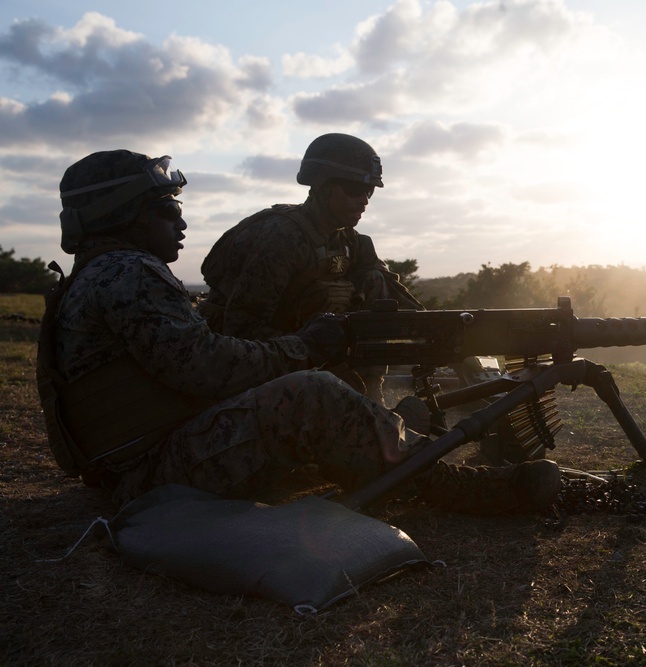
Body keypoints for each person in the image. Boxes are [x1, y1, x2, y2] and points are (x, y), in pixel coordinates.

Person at [36, 149, 561, 515]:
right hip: (147, 474)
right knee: (313, 394)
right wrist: (307, 347)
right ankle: (453, 488)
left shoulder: (104, 273)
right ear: (125, 216)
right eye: (168, 209)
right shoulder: (128, 273)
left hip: (141, 457)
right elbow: (210, 366)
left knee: (357, 403)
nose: (181, 224)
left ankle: (403, 443)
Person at [198, 133, 419, 405]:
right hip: (255, 366)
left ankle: (372, 393)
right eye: (354, 189)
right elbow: (242, 330)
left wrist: (445, 336)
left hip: (308, 356)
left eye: (369, 190)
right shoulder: (282, 238)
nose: (364, 200)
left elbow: (400, 301)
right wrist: (322, 366)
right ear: (324, 186)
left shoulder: (351, 241)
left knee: (373, 281)